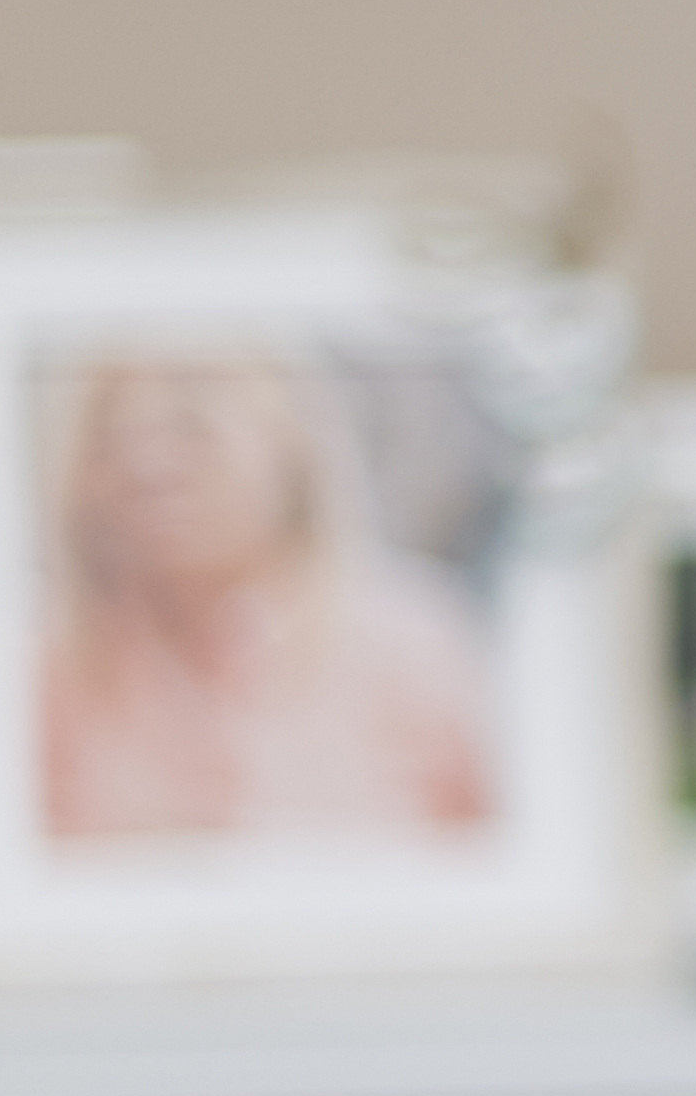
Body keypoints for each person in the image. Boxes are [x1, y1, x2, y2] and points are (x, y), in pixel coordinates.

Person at [39, 353, 494, 839]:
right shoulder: (44, 673)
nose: (145, 466)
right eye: (110, 440)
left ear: (288, 446)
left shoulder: (416, 645)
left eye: (190, 428)